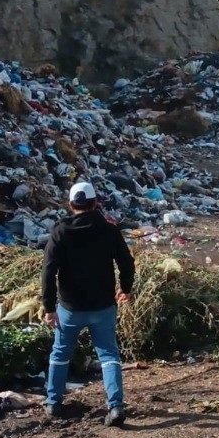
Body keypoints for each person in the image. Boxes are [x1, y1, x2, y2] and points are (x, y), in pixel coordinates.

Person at [41, 181, 135, 424]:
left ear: (71, 204)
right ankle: (115, 406)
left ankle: (53, 403)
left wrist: (49, 307)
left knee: (60, 353)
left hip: (70, 308)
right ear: (95, 204)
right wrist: (126, 288)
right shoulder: (109, 229)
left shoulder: (60, 231)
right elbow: (126, 262)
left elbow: (48, 271)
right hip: (103, 306)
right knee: (108, 354)